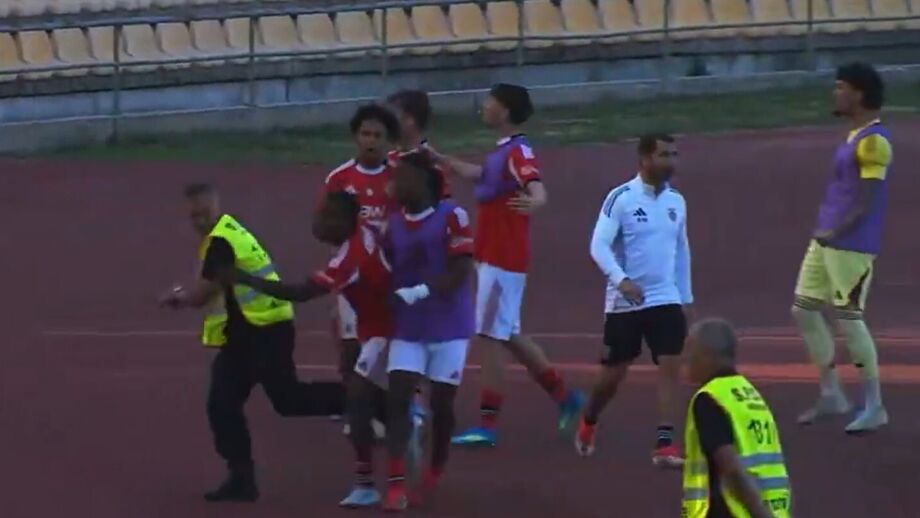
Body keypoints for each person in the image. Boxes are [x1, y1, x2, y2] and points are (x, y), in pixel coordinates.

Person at [157, 183, 344, 502]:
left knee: (286, 400)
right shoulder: (229, 232)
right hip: (249, 333)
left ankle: (369, 401)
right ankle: (241, 479)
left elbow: (203, 295)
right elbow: (217, 286)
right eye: (193, 214)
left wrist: (177, 298)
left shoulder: (220, 242)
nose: (198, 219)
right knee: (225, 404)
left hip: (264, 330)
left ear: (215, 205)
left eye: (203, 212)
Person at [430, 83, 584, 448]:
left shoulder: (518, 152)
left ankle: (487, 424)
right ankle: (565, 397)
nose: (484, 106)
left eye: (490, 102)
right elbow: (477, 175)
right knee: (508, 335)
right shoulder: (503, 152)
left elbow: (536, 187)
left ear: (505, 109)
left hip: (502, 258)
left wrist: (536, 202)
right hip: (495, 257)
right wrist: (437, 157)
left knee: (488, 337)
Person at [229, 191, 394, 508]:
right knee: (357, 384)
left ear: (347, 221)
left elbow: (299, 292)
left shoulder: (350, 258)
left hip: (391, 329)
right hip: (372, 324)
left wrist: (244, 278)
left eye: (327, 217)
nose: (318, 222)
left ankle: (374, 475)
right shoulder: (363, 235)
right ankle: (391, 428)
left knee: (358, 396)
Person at [576, 134, 692, 468]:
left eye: (674, 154)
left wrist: (685, 296)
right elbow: (598, 246)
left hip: (665, 297)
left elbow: (682, 251)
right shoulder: (621, 199)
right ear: (643, 159)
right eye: (663, 154)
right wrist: (621, 280)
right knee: (613, 375)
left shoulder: (677, 202)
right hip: (626, 302)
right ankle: (590, 418)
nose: (671, 161)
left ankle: (665, 443)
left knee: (670, 365)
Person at [792, 62, 893, 434]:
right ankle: (832, 393)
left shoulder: (873, 142)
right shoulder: (855, 136)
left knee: (849, 317)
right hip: (828, 239)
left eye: (840, 87)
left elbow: (867, 201)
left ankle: (875, 405)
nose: (835, 94)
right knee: (803, 310)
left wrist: (836, 230)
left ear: (859, 94)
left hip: (850, 244)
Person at [381, 152, 476, 511]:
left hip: (449, 327)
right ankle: (394, 484)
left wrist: (419, 291)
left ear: (423, 182)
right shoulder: (393, 223)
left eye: (402, 178)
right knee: (398, 397)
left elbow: (460, 270)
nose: (395, 185)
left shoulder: (452, 216)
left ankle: (435, 469)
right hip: (408, 327)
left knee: (442, 404)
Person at [323, 104, 401, 435]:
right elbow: (326, 226)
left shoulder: (399, 176)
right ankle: (359, 409)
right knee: (350, 340)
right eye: (365, 134)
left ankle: (390, 409)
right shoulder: (339, 179)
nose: (371, 141)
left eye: (378, 135)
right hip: (354, 275)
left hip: (393, 273)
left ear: (388, 140)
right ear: (356, 137)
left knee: (391, 344)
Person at [683, 319, 792, 518]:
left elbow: (731, 468)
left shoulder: (709, 399)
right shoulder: (749, 393)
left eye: (691, 352)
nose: (686, 359)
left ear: (708, 356)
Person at [385, 89, 451, 199]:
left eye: (392, 116)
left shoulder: (431, 165)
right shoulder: (385, 160)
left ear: (409, 120)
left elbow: (443, 211)